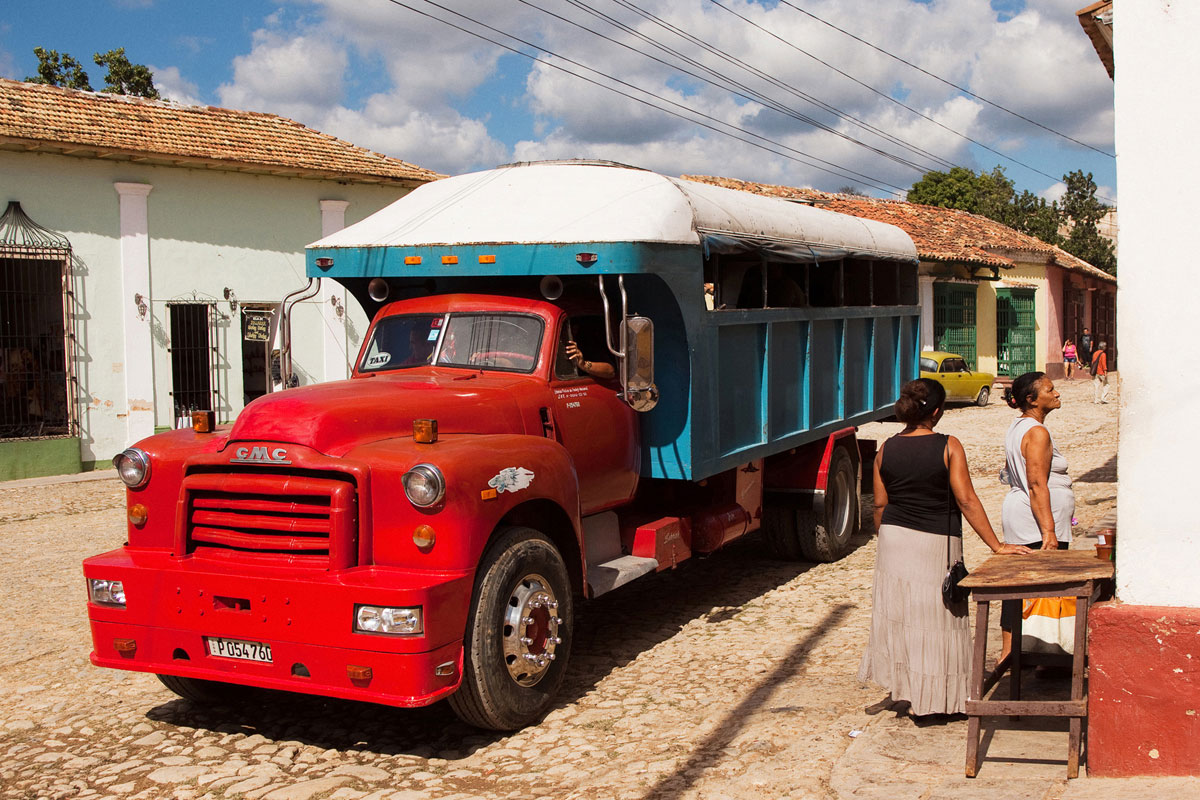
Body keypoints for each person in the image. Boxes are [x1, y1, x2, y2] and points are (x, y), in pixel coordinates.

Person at [859, 378, 1030, 719]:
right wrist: (996, 545)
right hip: (934, 540)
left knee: (904, 615)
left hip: (893, 539)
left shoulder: (885, 449)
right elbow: (966, 500)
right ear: (937, 412)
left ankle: (904, 690)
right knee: (938, 615)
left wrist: (889, 542)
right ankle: (938, 698)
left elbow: (879, 505)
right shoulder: (949, 445)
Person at [999, 372, 1075, 659]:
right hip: (1037, 517)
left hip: (1025, 512)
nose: (1056, 393)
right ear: (1032, 400)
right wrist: (1049, 531)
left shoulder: (1019, 426)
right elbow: (1036, 483)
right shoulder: (1037, 432)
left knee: (1020, 582)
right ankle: (1041, 653)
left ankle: (1019, 650)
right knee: (1043, 582)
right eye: (1050, 390)